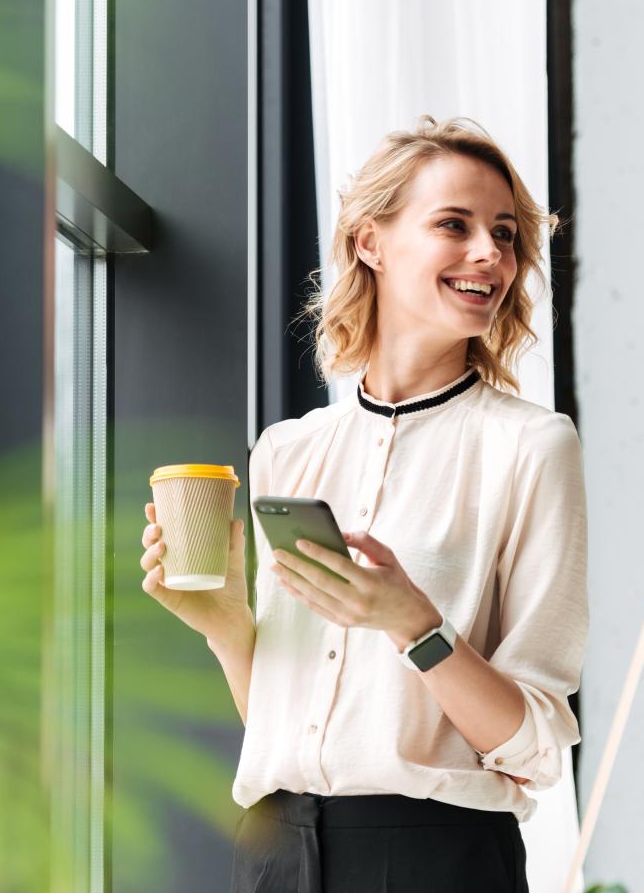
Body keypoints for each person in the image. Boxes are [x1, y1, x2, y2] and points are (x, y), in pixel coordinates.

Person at [138, 115, 589, 892]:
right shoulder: (288, 450)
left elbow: (538, 746)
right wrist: (226, 628)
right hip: (275, 848)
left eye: (506, 235)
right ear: (369, 242)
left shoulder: (531, 448)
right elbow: (287, 726)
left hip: (435, 858)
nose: (491, 254)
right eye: (456, 224)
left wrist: (414, 624)